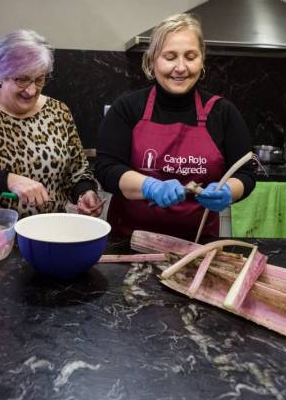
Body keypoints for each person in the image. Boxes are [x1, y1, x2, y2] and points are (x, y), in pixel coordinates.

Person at [94, 13, 256, 239]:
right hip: (130, 243)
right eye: (170, 57)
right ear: (152, 61)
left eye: (190, 56)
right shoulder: (127, 108)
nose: (181, 67)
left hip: (197, 245)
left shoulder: (222, 112)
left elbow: (246, 174)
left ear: (202, 60)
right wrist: (151, 187)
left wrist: (228, 192)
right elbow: (106, 169)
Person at [0, 29, 103, 218]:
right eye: (22, 80)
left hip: (49, 231)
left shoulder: (59, 111)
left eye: (39, 79)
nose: (31, 90)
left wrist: (85, 193)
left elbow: (77, 170)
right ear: (2, 75)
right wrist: (8, 180)